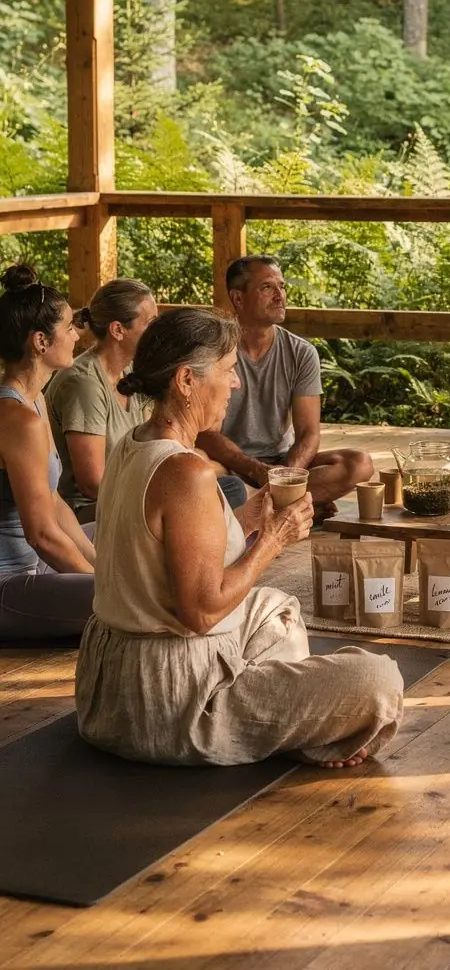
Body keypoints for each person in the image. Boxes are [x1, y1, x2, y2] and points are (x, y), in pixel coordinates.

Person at [75, 308, 403, 768]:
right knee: (381, 678)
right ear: (186, 381)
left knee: (277, 610)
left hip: (109, 686)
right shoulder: (185, 471)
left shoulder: (134, 443)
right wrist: (274, 539)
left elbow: (160, 548)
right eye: (228, 371)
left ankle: (292, 716)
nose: (236, 384)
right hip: (171, 701)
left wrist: (247, 520)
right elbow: (201, 611)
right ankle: (300, 728)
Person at [197, 256, 373, 516]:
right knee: (197, 468)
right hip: (229, 464)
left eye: (282, 286)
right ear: (238, 298)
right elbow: (206, 434)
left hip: (283, 463)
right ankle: (297, 506)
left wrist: (286, 477)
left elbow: (309, 434)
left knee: (359, 464)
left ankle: (265, 505)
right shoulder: (214, 350)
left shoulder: (301, 352)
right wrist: (255, 470)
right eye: (267, 287)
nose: (280, 296)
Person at [0, 264, 95, 640]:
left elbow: (54, 503)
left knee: (126, 534)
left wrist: (99, 564)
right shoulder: (15, 417)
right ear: (41, 341)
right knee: (136, 597)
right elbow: (40, 534)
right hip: (9, 585)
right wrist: (106, 584)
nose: (77, 334)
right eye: (70, 327)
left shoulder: (34, 400)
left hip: (37, 569)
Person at [46, 279, 157, 522]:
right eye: (150, 324)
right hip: (88, 513)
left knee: (224, 488)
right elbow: (93, 483)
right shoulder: (83, 383)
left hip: (129, 496)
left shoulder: (129, 373)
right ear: (118, 330)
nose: (156, 332)